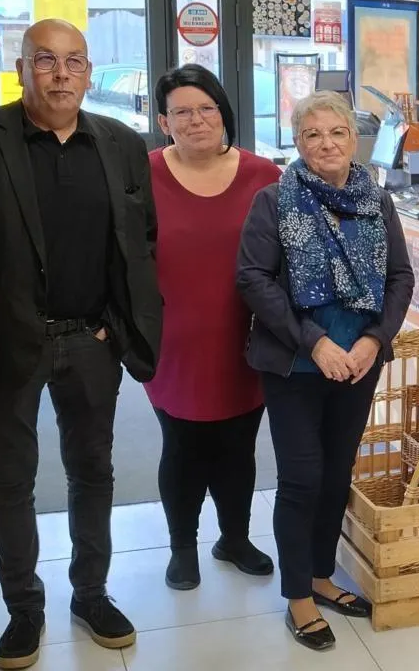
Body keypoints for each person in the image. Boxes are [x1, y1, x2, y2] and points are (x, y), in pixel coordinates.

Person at [0, 19, 161, 669]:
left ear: (89, 72)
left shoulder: (121, 143)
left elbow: (141, 240)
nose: (61, 75)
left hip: (91, 340)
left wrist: (118, 323)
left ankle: (92, 594)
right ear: (22, 68)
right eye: (46, 61)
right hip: (2, 339)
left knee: (93, 473)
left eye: (74, 62)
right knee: (10, 481)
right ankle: (24, 610)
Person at [236, 90, 414, 651]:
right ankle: (298, 595)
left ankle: (320, 575)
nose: (326, 144)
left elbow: (401, 277)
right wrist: (314, 343)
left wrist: (374, 340)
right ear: (297, 142)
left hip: (359, 362)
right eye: (312, 134)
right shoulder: (274, 201)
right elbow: (252, 279)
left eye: (337, 132)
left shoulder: (376, 200)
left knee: (338, 473)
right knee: (303, 477)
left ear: (354, 139)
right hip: (295, 363)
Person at [145, 65, 282, 591]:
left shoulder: (264, 175)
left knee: (237, 445)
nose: (196, 119)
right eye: (182, 111)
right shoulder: (142, 174)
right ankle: (182, 547)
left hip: (248, 337)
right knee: (182, 447)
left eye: (207, 108)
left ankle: (234, 538)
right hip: (171, 341)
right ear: (164, 121)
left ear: (224, 114)